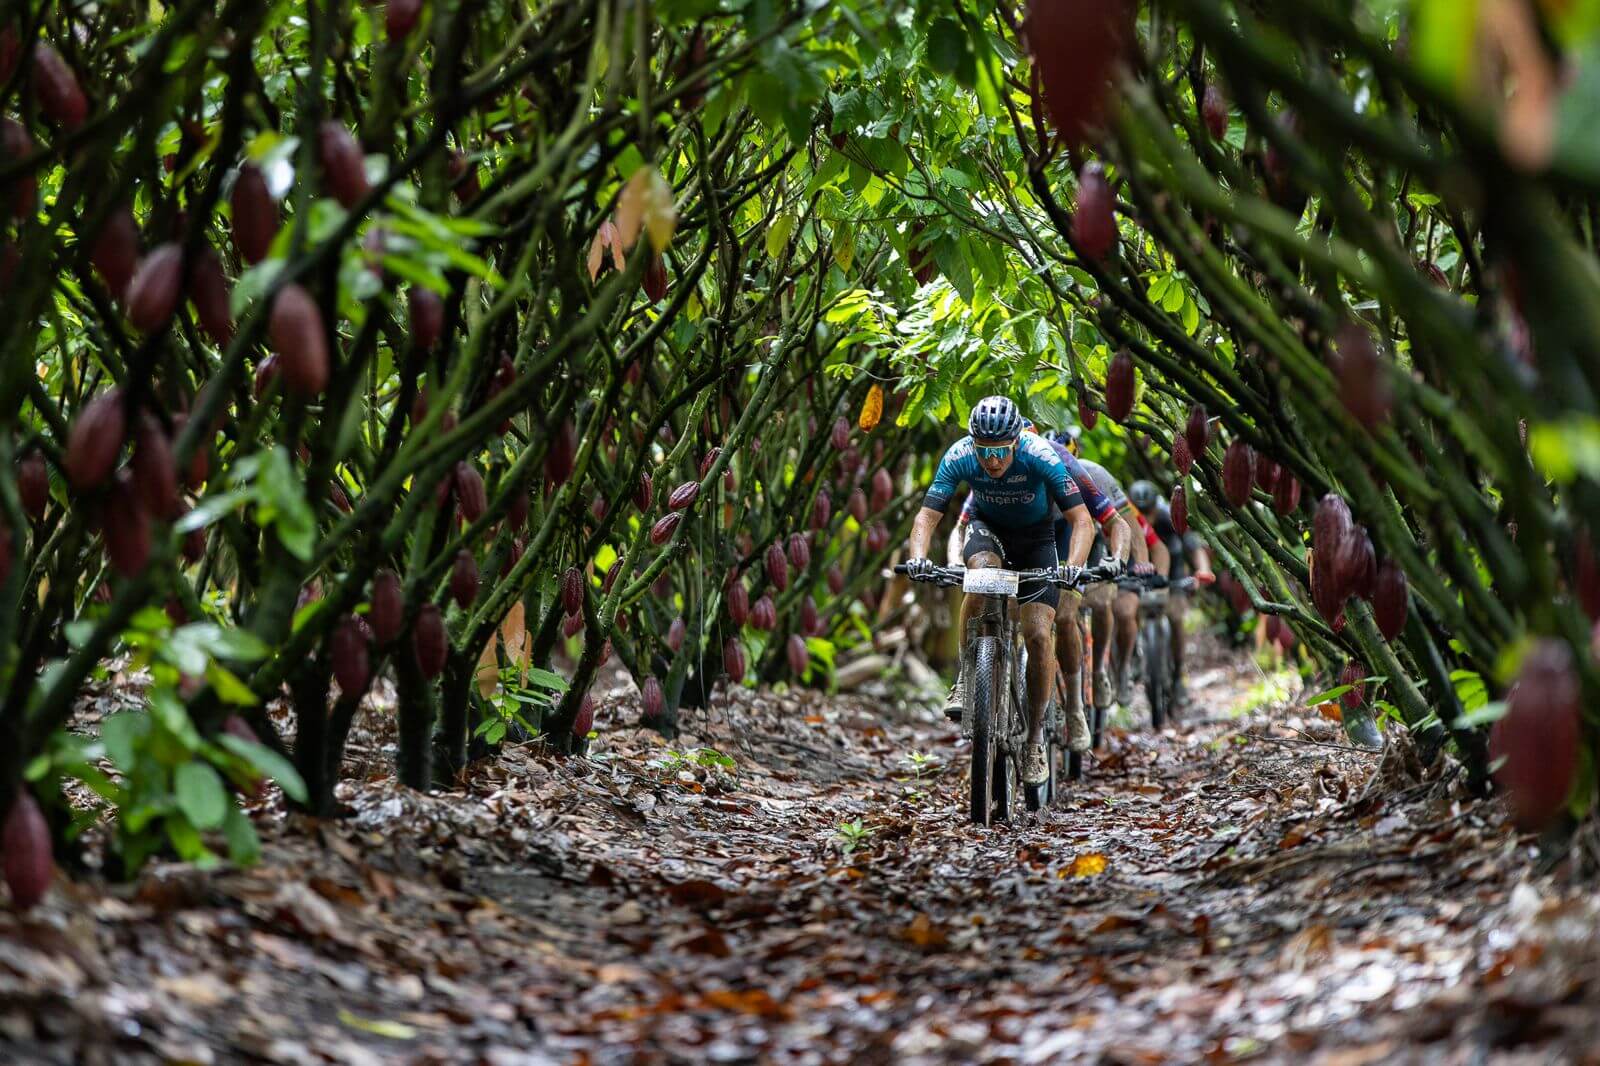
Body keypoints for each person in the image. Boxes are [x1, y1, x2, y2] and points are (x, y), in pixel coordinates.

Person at [904, 397, 1097, 786]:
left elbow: (1081, 521)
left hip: (1037, 540)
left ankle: (1035, 739)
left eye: (1000, 451)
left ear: (1017, 442)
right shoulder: (959, 455)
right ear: (972, 443)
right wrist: (918, 558)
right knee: (978, 577)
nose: (991, 460)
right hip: (988, 531)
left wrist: (1073, 567)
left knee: (1038, 634)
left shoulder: (1040, 454)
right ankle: (966, 677)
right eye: (984, 451)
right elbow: (927, 517)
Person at [955, 423, 1131, 750]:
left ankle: (1075, 706)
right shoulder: (996, 471)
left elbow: (1117, 522)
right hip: (1021, 538)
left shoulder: (1068, 467)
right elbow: (964, 523)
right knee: (1007, 606)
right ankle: (993, 687)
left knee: (1064, 615)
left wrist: (1118, 560)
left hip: (1066, 539)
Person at [1044, 427, 1155, 713]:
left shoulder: (1095, 475)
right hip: (1049, 537)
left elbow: (1128, 522)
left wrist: (1140, 560)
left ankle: (1099, 670)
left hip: (1089, 539)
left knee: (1103, 599)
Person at [1126, 480, 1216, 709]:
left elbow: (1194, 547)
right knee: (1127, 610)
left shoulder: (1170, 517)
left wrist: (1203, 570)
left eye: (1149, 512)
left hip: (1172, 575)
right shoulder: (1126, 520)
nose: (1146, 518)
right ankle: (1133, 655)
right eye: (1140, 513)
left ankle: (1177, 675)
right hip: (1139, 574)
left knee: (1176, 618)